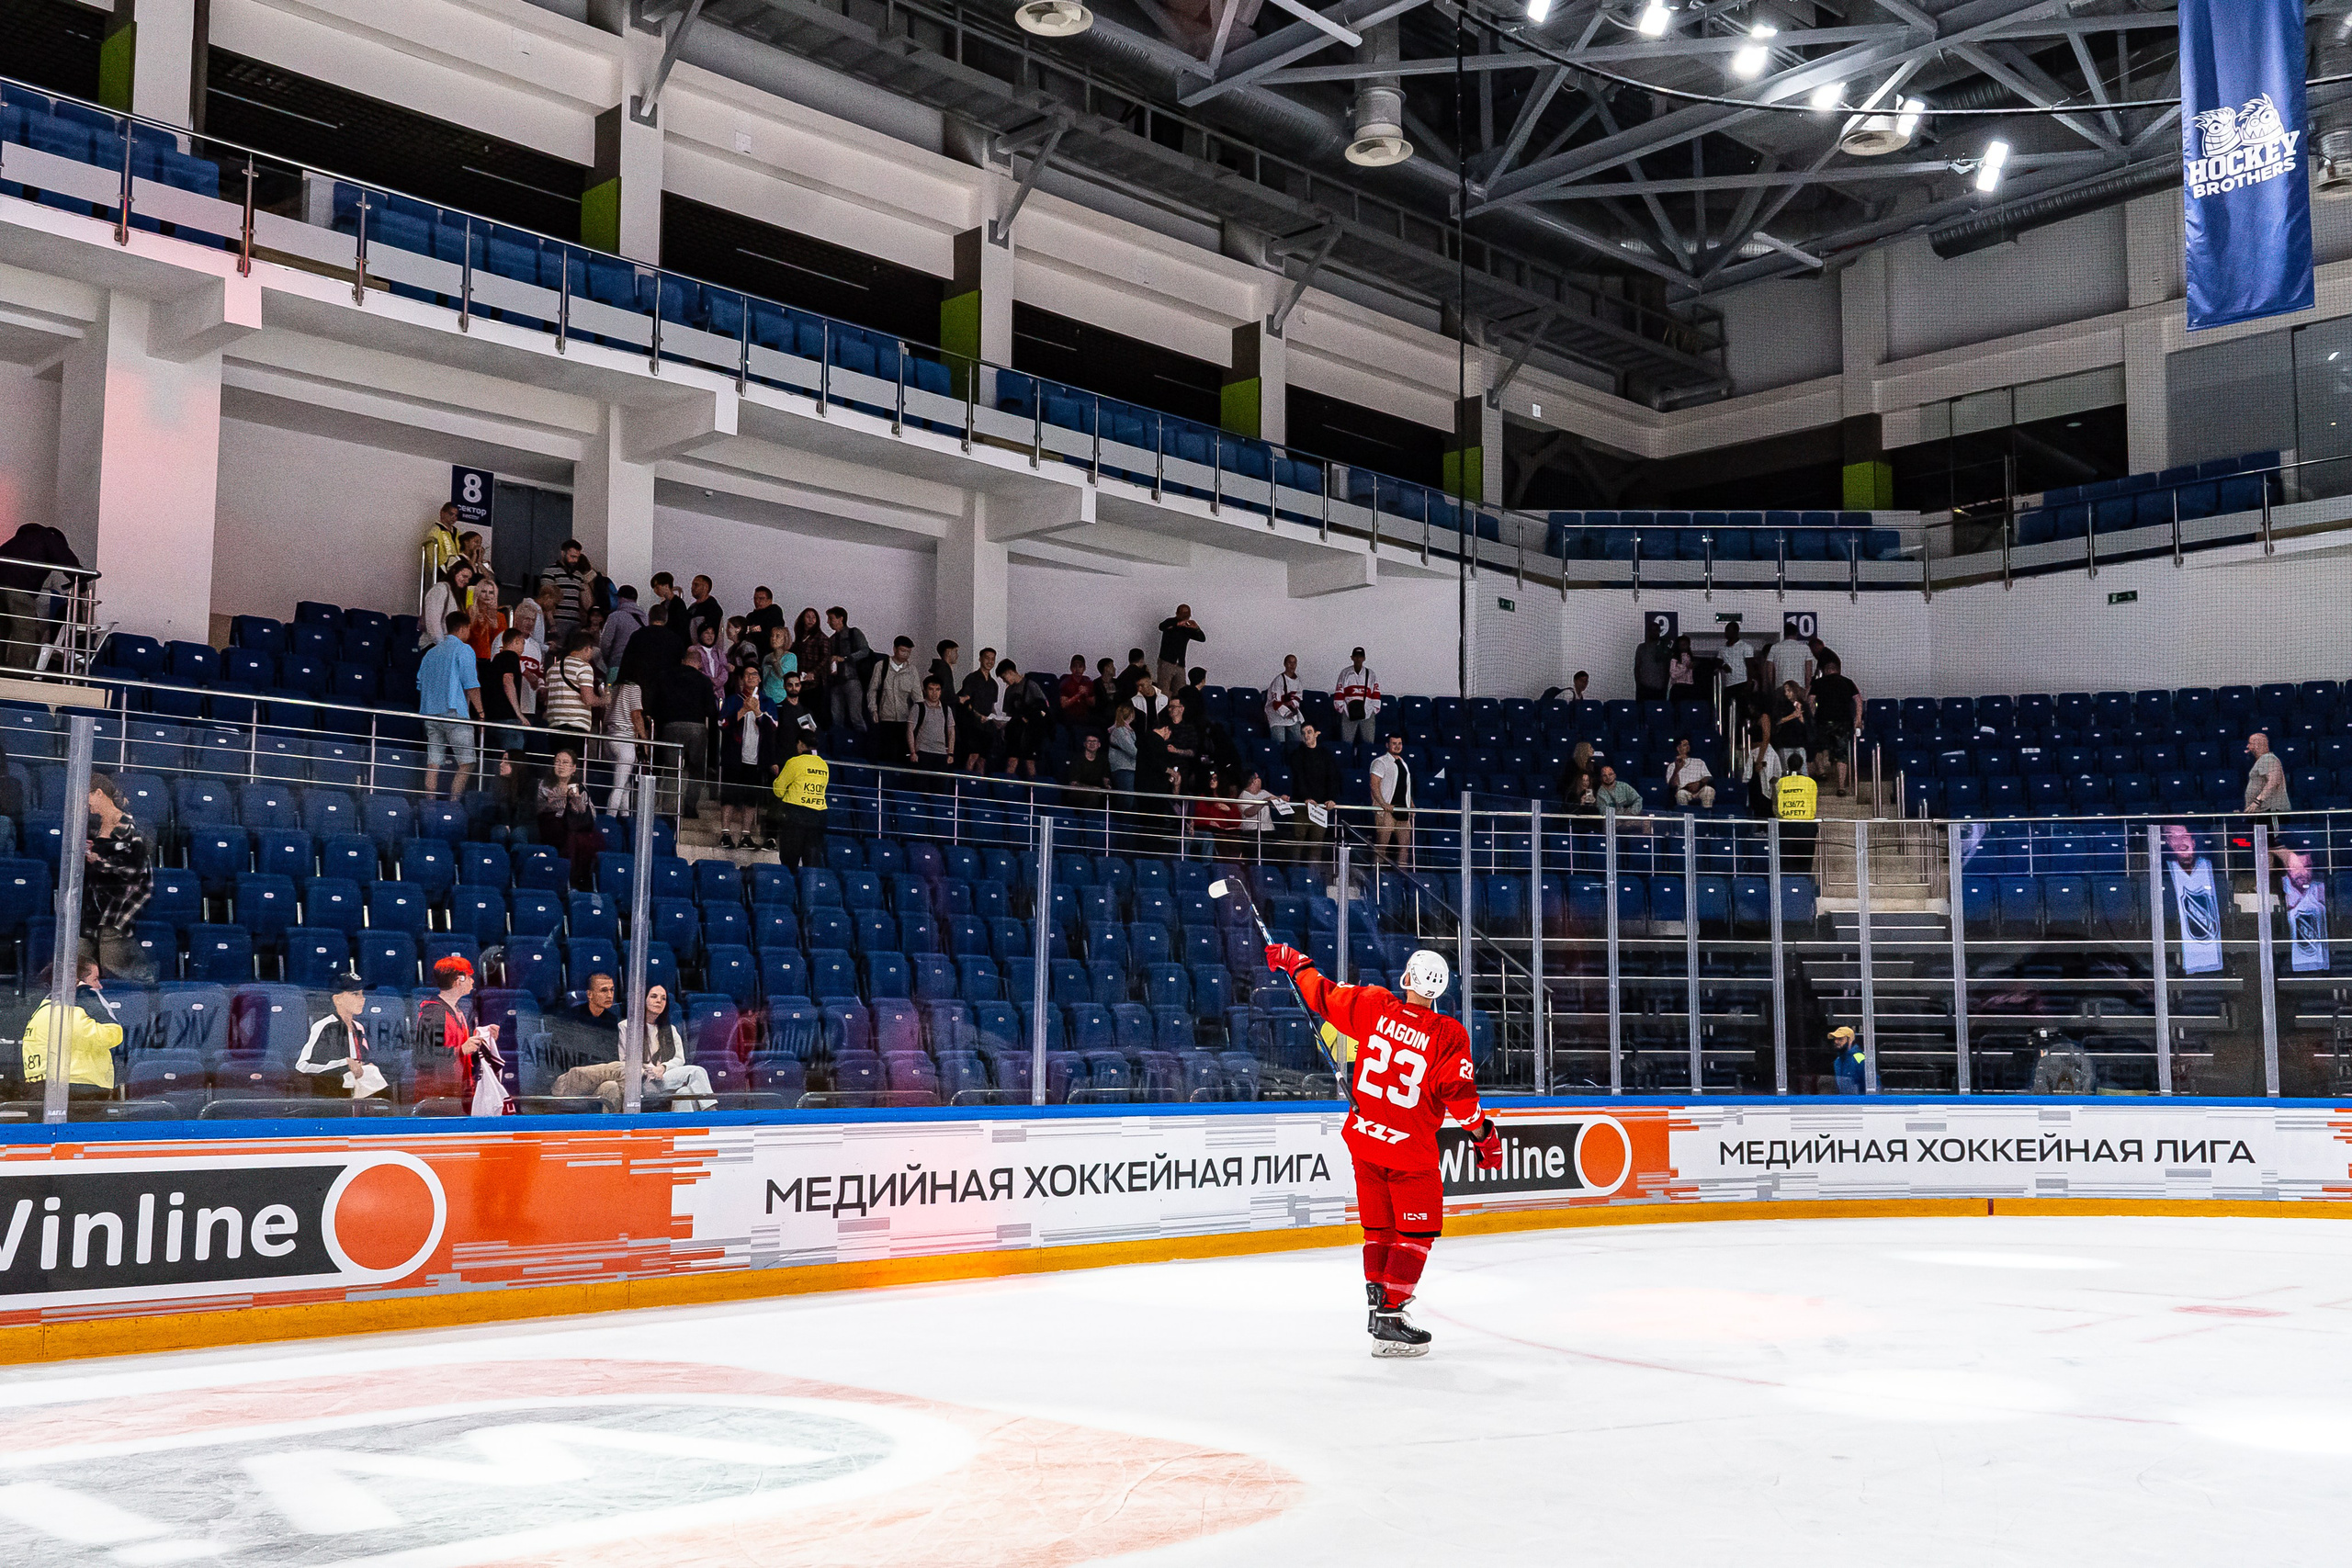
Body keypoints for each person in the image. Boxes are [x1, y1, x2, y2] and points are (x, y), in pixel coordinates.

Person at [1264, 942, 1500, 1356]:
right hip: (1409, 1151)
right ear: (1441, 990)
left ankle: (1378, 1303)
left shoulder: (1374, 1004)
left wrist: (1295, 961)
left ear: (1407, 978)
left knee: (1379, 1230)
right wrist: (1485, 1138)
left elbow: (1320, 993)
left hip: (1365, 1141)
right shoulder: (1447, 1035)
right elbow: (1461, 1100)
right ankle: (1390, 1316)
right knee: (1416, 1235)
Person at [22, 951, 121, 1101]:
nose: (99, 986)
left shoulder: (41, 1011)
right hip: (79, 1092)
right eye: (94, 980)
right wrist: (89, 997)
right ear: (77, 982)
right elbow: (112, 1034)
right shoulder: (74, 1014)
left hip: (39, 1089)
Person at [83, 775, 153, 982]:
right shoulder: (95, 826)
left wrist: (98, 861)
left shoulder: (127, 828)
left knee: (112, 961)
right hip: (96, 903)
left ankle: (146, 982)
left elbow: (135, 872)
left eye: (87, 796)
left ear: (98, 793)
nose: (85, 803)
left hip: (121, 901)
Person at [413, 955, 502, 1107]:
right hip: (437, 1100)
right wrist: (461, 1049)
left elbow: (456, 1050)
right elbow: (423, 1058)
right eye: (469, 977)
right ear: (458, 979)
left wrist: (480, 1041)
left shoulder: (457, 1012)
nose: (473, 981)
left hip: (455, 1095)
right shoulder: (434, 1013)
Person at [417, 610, 484, 799]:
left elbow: (420, 683)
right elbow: (471, 684)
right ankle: (454, 804)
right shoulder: (463, 650)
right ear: (463, 628)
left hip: (430, 714)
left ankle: (429, 805)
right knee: (467, 762)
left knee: (434, 763)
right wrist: (480, 712)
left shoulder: (430, 653)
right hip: (454, 713)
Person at [651, 643, 718, 819]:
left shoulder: (665, 676)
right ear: (700, 664)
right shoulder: (704, 681)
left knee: (673, 769)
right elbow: (711, 711)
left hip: (671, 726)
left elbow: (655, 703)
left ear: (683, 661)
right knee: (696, 769)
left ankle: (668, 808)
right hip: (696, 727)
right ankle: (690, 807)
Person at [718, 665, 781, 851]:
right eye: (747, 674)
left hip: (756, 758)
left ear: (760, 679)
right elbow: (722, 723)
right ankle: (725, 834)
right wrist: (743, 711)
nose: (751, 677)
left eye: (754, 674)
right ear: (742, 679)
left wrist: (758, 712)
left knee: (751, 798)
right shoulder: (732, 700)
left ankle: (746, 835)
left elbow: (773, 726)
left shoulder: (768, 702)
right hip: (734, 756)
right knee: (728, 796)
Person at [296, 967, 384, 1100]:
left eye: (362, 994)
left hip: (358, 1099)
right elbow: (303, 1066)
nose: (363, 999)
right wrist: (343, 1064)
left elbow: (362, 1060)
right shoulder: (324, 1026)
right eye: (355, 994)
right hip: (332, 1100)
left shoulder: (358, 1027)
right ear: (337, 999)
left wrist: (365, 1066)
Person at [2161, 823, 2230, 976]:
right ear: (2167, 843)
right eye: (2173, 838)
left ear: (2193, 841)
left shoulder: (2212, 869)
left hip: (2215, 952)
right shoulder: (2162, 875)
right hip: (2179, 956)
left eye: (2184, 836)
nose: (2180, 843)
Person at [537, 746, 605, 891]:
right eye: (557, 762)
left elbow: (590, 814)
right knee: (572, 838)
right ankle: (569, 881)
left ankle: (579, 882)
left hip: (574, 827)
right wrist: (556, 800)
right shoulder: (544, 785)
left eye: (565, 762)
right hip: (551, 825)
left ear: (573, 768)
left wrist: (576, 802)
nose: (560, 766)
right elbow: (538, 809)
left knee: (589, 840)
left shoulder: (580, 788)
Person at [773, 729, 830, 867]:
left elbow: (778, 790)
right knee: (811, 863)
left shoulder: (795, 762)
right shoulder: (823, 764)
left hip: (796, 815)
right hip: (818, 815)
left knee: (789, 860)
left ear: (801, 744)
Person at [1288, 720, 1341, 868]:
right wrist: (1306, 797)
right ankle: (1295, 875)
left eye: (1309, 732)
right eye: (1304, 733)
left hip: (1320, 806)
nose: (1306, 736)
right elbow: (1298, 777)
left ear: (1317, 734)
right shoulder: (1297, 754)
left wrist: (1331, 799)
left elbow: (1332, 778)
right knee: (1298, 840)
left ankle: (1313, 878)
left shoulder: (1326, 755)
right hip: (1302, 804)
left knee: (1317, 843)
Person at [1810, 654, 1861, 795]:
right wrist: (1857, 719)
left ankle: (1821, 771)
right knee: (1841, 754)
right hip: (1842, 722)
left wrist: (1811, 717)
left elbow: (1811, 700)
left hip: (1822, 721)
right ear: (1838, 670)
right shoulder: (1847, 682)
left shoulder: (1818, 683)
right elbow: (1858, 700)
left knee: (1816, 747)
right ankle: (1841, 787)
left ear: (1826, 671)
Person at [539, 629, 602, 743]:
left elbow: (547, 700)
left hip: (554, 726)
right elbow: (588, 699)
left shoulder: (553, 668)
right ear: (587, 648)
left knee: (557, 760)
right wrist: (603, 700)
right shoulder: (584, 667)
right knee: (571, 759)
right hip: (575, 725)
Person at [603, 660, 648, 814]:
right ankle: (610, 820)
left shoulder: (614, 688)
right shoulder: (634, 688)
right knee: (619, 786)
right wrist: (645, 740)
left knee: (625, 784)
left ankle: (625, 817)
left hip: (609, 738)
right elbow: (636, 715)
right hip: (624, 739)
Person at [867, 636, 921, 755]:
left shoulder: (912, 670)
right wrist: (873, 710)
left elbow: (918, 697)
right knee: (885, 751)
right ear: (894, 649)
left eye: (908, 652)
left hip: (905, 718)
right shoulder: (881, 666)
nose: (905, 654)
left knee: (902, 753)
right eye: (903, 651)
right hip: (885, 717)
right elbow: (873, 690)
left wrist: (919, 718)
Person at [824, 606, 872, 736]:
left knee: (856, 716)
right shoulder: (831, 639)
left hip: (852, 679)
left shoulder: (854, 633)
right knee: (836, 718)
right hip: (836, 682)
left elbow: (865, 651)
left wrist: (845, 658)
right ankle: (840, 744)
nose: (828, 622)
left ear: (841, 619)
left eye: (831, 618)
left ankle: (863, 744)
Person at [542, 541, 598, 645]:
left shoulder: (578, 575)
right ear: (563, 553)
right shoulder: (550, 571)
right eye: (572, 556)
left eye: (577, 557)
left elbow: (587, 604)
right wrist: (552, 624)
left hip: (575, 623)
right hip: (558, 621)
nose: (575, 560)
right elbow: (546, 599)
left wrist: (586, 578)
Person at [1369, 732, 1412, 866]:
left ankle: (1403, 877)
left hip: (1402, 810)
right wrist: (1383, 804)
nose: (1397, 746)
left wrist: (1411, 805)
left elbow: (1404, 787)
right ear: (1387, 745)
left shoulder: (1403, 763)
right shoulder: (1380, 762)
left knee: (1405, 845)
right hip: (1387, 810)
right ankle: (1375, 876)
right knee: (1382, 846)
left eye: (1399, 743)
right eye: (1394, 743)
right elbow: (1374, 785)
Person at [909, 675, 956, 780]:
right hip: (923, 751)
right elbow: (910, 730)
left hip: (941, 753)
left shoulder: (946, 709)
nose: (934, 693)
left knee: (939, 788)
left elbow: (951, 731)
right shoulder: (918, 707)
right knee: (922, 786)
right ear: (925, 690)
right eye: (931, 689)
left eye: (937, 689)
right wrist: (913, 752)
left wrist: (951, 753)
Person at [419, 560, 474, 649]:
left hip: (448, 645)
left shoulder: (456, 594)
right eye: (464, 576)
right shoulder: (440, 589)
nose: (466, 581)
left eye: (469, 579)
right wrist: (442, 646)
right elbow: (433, 623)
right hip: (435, 645)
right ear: (453, 572)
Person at [1334, 649, 1382, 746]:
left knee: (1368, 745)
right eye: (1356, 656)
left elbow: (1376, 693)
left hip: (1367, 714)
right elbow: (1339, 692)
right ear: (1352, 658)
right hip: (1348, 714)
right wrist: (1342, 709)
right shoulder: (1345, 673)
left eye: (1360, 656)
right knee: (1346, 744)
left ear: (1364, 658)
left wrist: (1373, 710)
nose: (1358, 659)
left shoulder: (1371, 674)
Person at [2245, 731, 2290, 827]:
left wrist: (2257, 801)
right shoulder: (2263, 760)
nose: (2248, 747)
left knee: (2273, 841)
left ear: (2258, 745)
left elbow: (2274, 781)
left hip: (2271, 812)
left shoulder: (2268, 759)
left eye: (2250, 744)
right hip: (2263, 812)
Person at [1156, 604, 1204, 693]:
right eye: (1183, 615)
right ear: (1177, 614)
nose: (1185, 617)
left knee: (1181, 691)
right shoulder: (1170, 622)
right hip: (1167, 662)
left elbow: (1202, 639)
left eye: (1187, 615)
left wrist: (1196, 628)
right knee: (1163, 690)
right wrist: (1177, 624)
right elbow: (1161, 627)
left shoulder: (1188, 628)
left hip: (1180, 664)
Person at [598, 585, 646, 672]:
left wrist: (608, 659)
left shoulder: (615, 616)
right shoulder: (646, 619)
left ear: (620, 598)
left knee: (612, 686)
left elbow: (605, 642)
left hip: (618, 663)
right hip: (640, 665)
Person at [1236, 770, 1284, 854]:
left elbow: (1275, 801)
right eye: (1259, 778)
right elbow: (1248, 812)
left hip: (1268, 829)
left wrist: (1282, 798)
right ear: (1254, 781)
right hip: (1252, 831)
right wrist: (1264, 802)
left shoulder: (1264, 792)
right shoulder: (1244, 795)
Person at [1265, 655, 1306, 751]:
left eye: (1294, 663)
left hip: (1291, 714)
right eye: (1289, 662)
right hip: (1277, 715)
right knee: (1279, 744)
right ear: (1285, 664)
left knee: (1297, 741)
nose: (1292, 665)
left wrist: (1293, 708)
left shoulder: (1298, 680)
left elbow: (1298, 697)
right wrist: (1286, 712)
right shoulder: (1278, 680)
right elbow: (1276, 703)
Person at [1665, 738, 1714, 810]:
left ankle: (1706, 816)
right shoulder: (1672, 766)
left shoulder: (1699, 761)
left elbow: (1709, 777)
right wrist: (1677, 769)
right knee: (1680, 794)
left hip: (1699, 788)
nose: (1688, 746)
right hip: (1684, 790)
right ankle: (1685, 817)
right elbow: (1672, 785)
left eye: (1688, 744)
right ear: (1678, 748)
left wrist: (1699, 783)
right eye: (1685, 745)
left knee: (1709, 790)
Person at [464, 579, 507, 661]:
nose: (487, 595)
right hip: (472, 658)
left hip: (493, 660)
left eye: (491, 592)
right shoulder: (470, 612)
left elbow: (501, 642)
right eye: (484, 591)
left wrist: (493, 623)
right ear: (478, 593)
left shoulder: (500, 617)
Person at [1767, 623, 1815, 693]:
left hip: (1781, 687)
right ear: (1796, 633)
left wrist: (1771, 687)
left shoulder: (1775, 647)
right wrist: (1807, 688)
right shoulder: (1805, 648)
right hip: (1799, 687)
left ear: (1784, 633)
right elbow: (1808, 672)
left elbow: (1769, 670)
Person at [423, 501, 465, 581]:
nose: (454, 518)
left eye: (456, 516)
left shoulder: (457, 532)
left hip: (457, 570)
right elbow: (430, 554)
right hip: (443, 571)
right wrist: (434, 572)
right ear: (442, 513)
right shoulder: (436, 530)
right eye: (451, 514)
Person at [692, 620, 729, 705]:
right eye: (707, 633)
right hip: (701, 691)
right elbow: (695, 670)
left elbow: (724, 670)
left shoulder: (719, 652)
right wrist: (710, 681)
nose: (710, 636)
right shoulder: (693, 650)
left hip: (719, 695)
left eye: (712, 633)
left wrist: (717, 682)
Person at [1633, 622, 1671, 702]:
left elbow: (1667, 668)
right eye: (1652, 630)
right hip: (1644, 687)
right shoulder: (1641, 647)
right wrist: (1638, 685)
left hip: (1660, 688)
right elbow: (1637, 667)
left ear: (1659, 632)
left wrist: (1665, 686)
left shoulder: (1664, 648)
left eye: (1656, 630)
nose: (1654, 632)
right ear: (1648, 632)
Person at [1745, 741, 1784, 818]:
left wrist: (1759, 761)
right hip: (1754, 754)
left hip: (1762, 755)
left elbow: (1766, 738)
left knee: (1765, 791)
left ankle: (1764, 820)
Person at [684, 575, 724, 643]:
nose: (692, 588)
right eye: (692, 585)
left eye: (696, 585)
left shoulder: (713, 608)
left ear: (705, 587)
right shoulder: (692, 607)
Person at [1057, 656, 1094, 729]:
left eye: (1080, 666)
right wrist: (1078, 694)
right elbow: (1064, 705)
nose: (1077, 669)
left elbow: (1093, 704)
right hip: (1070, 716)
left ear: (1084, 668)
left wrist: (1086, 694)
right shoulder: (1065, 683)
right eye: (1075, 666)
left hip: (1085, 716)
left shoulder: (1088, 682)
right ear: (1071, 668)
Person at [1828, 1025, 1866, 1093]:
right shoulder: (1837, 1061)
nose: (1836, 1042)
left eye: (1840, 1039)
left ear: (1850, 1040)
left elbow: (1872, 1084)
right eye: (1835, 1039)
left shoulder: (1859, 1058)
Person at [1667, 635, 1695, 705]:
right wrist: (1686, 668)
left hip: (1689, 687)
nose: (1683, 646)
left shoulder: (1691, 658)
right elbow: (1673, 674)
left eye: (1685, 644)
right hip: (1678, 688)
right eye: (1681, 645)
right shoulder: (1674, 659)